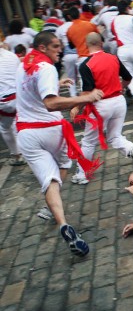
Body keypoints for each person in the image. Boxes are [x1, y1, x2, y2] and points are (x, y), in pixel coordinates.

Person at [16, 32, 104, 257]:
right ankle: (52, 209)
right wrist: (86, 98)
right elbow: (51, 103)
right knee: (63, 166)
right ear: (43, 47)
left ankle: (63, 223)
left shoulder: (26, 64)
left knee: (49, 180)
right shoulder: (46, 68)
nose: (60, 50)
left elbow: (33, 88)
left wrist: (57, 82)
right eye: (55, 46)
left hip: (26, 135)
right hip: (50, 131)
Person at [70, 33, 133, 185]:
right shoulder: (113, 57)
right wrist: (121, 88)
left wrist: (76, 107)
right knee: (114, 136)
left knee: (88, 141)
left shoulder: (85, 65)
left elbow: (87, 93)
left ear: (87, 46)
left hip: (100, 106)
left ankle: (82, 174)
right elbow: (128, 78)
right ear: (102, 43)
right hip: (119, 102)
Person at [0, 44, 26, 166]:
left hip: (4, 102)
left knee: (5, 127)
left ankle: (16, 155)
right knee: (20, 124)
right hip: (19, 96)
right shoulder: (12, 56)